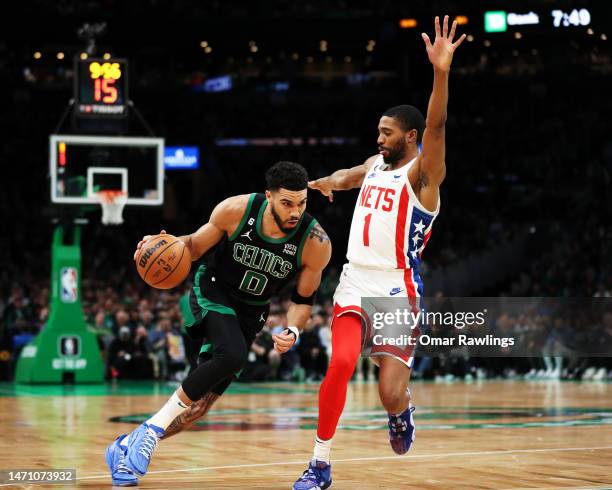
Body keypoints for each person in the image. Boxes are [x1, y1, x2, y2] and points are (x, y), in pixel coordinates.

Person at [293, 16, 466, 489]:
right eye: (378, 130)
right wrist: (325, 183)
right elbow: (351, 174)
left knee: (389, 393)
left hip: (396, 288)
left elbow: (437, 122)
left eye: (387, 132)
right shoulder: (375, 164)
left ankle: (402, 409)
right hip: (354, 281)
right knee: (341, 364)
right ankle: (320, 464)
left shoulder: (424, 178)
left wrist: (441, 71)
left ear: (409, 137)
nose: (379, 137)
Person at [105, 161, 331, 486]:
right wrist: (159, 245)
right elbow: (194, 246)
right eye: (286, 203)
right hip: (212, 289)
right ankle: (149, 431)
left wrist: (293, 329)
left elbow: (303, 300)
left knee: (195, 411)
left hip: (252, 312)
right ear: (268, 196)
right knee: (233, 356)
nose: (295, 211)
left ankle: (125, 447)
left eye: (302, 203)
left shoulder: (315, 242)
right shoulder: (236, 210)